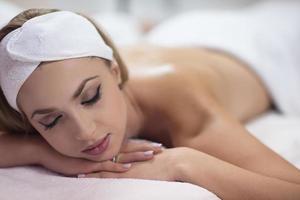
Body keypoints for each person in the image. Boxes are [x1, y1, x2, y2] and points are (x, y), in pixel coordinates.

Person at [0, 5, 300, 200]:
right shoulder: (47, 84)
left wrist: (182, 163)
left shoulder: (178, 103)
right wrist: (40, 151)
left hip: (262, 43)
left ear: (114, 72)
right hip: (170, 39)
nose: (86, 132)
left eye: (91, 97)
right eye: (51, 121)